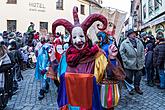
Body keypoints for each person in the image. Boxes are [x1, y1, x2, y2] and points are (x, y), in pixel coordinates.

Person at [53, 6, 108, 109]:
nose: (78, 41)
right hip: (71, 105)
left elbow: (105, 77)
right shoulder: (65, 57)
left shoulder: (97, 56)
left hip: (90, 104)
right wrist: (53, 61)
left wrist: (112, 58)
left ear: (86, 38)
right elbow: (59, 79)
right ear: (71, 40)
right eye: (74, 37)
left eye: (81, 36)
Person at [119, 29, 145, 95]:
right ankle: (130, 89)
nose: (134, 35)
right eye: (132, 34)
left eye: (134, 33)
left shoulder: (139, 41)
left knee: (138, 77)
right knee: (129, 78)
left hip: (139, 63)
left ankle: (137, 87)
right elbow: (121, 52)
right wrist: (126, 61)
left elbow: (142, 51)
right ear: (129, 35)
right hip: (129, 64)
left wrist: (142, 60)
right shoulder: (124, 43)